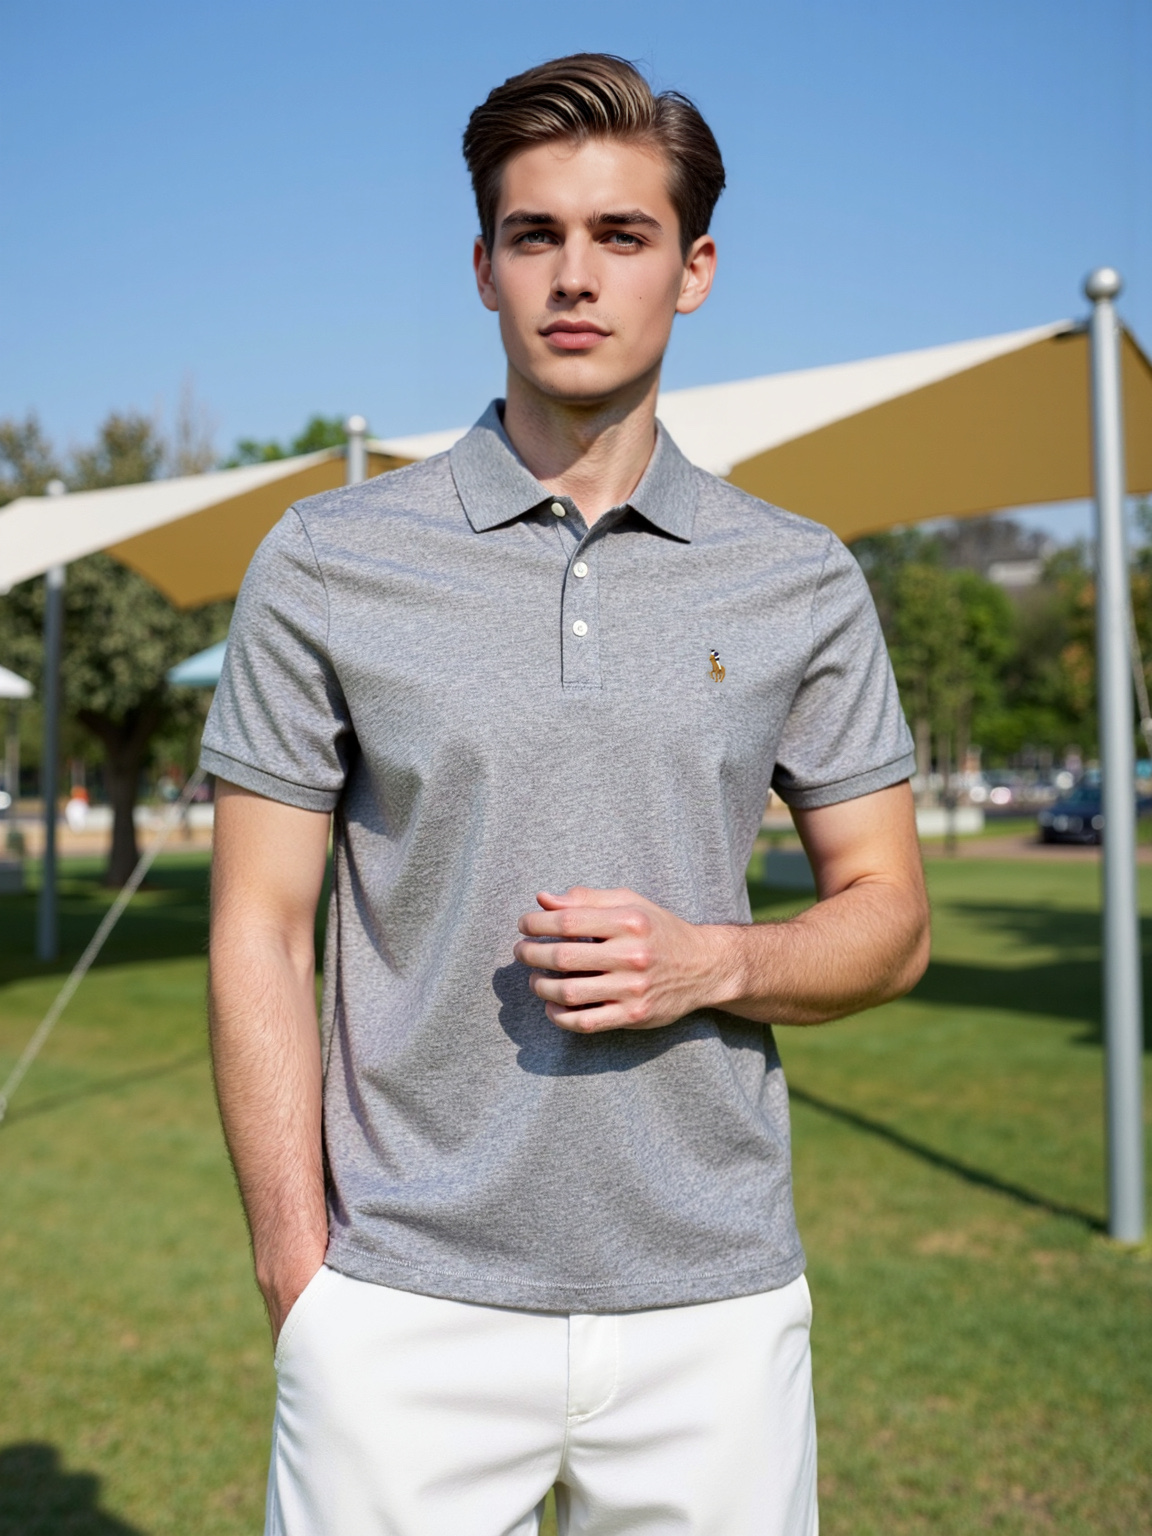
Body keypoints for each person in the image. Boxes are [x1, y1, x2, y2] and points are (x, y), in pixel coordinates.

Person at [203, 53, 929, 1536]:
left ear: (695, 269)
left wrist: (713, 962)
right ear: (483, 268)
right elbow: (259, 928)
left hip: (712, 1309)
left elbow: (893, 917)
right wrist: (299, 1270)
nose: (575, 276)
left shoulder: (799, 576)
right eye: (534, 235)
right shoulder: (328, 558)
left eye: (622, 234)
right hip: (400, 1301)